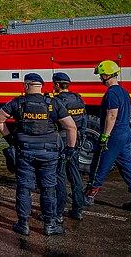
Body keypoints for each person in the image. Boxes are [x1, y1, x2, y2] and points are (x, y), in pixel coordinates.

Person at [0, 73, 77, 236]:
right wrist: (70, 149)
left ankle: (23, 224)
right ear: (41, 86)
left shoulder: (18, 102)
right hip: (49, 153)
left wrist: (11, 140)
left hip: (25, 151)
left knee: (24, 187)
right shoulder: (53, 103)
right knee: (48, 188)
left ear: (26, 86)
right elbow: (71, 127)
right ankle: (49, 225)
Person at [84, 60, 131, 214]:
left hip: (114, 134)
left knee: (99, 162)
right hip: (125, 134)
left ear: (106, 75)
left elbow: (111, 116)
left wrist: (105, 136)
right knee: (127, 166)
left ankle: (89, 195)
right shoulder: (124, 92)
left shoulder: (111, 93)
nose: (99, 78)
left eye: (100, 75)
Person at [52, 72, 87, 221]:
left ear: (58, 85)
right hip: (77, 139)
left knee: (60, 175)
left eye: (54, 84)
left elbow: (52, 123)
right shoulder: (78, 99)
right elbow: (84, 120)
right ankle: (78, 209)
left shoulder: (57, 101)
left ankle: (58, 213)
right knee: (75, 174)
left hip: (63, 139)